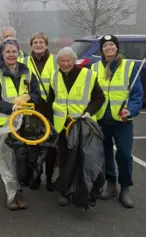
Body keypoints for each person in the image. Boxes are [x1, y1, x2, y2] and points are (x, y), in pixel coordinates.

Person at [46, 46, 105, 206]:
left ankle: (84, 190)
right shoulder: (54, 76)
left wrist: (88, 111)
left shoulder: (88, 75)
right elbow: (51, 100)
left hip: (81, 125)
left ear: (74, 60)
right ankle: (65, 192)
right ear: (58, 62)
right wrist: (49, 121)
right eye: (62, 61)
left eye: (68, 60)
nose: (65, 64)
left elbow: (99, 98)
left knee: (83, 158)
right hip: (62, 126)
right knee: (64, 159)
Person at [0, 38, 42, 210]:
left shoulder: (28, 73)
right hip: (6, 124)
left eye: (14, 52)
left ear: (18, 53)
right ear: (2, 55)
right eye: (7, 52)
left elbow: (37, 94)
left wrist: (27, 97)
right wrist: (12, 108)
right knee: (7, 162)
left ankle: (19, 190)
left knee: (22, 160)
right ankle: (12, 195)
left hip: (26, 124)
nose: (11, 55)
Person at [92, 35, 143, 208]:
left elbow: (137, 95)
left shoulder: (129, 66)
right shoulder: (94, 67)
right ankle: (111, 185)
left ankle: (125, 189)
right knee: (105, 154)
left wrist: (132, 110)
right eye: (105, 45)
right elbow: (90, 93)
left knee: (124, 154)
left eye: (111, 44)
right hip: (101, 118)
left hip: (122, 119)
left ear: (117, 47)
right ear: (102, 49)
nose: (108, 48)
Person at [0, 27, 28, 175]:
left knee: (20, 151)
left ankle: (19, 181)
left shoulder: (25, 57)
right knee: (2, 146)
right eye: (6, 37)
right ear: (0, 39)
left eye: (11, 37)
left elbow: (30, 84)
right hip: (2, 110)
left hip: (23, 113)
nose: (9, 39)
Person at [22, 32, 58, 191]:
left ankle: (50, 178)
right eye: (35, 42)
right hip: (32, 108)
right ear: (31, 44)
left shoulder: (55, 60)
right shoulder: (23, 61)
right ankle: (35, 176)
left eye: (41, 42)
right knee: (33, 144)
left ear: (46, 44)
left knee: (51, 146)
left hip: (50, 107)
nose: (38, 44)